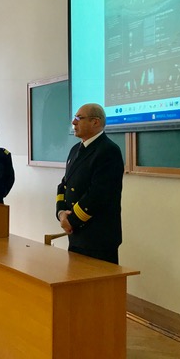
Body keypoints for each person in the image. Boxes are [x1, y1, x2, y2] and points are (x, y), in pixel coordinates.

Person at [55, 103, 124, 264]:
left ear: (95, 122)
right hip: (76, 235)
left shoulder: (108, 151)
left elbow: (98, 195)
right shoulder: (75, 150)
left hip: (97, 237)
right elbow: (64, 185)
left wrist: (71, 221)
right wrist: (61, 213)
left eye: (79, 118)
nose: (73, 122)